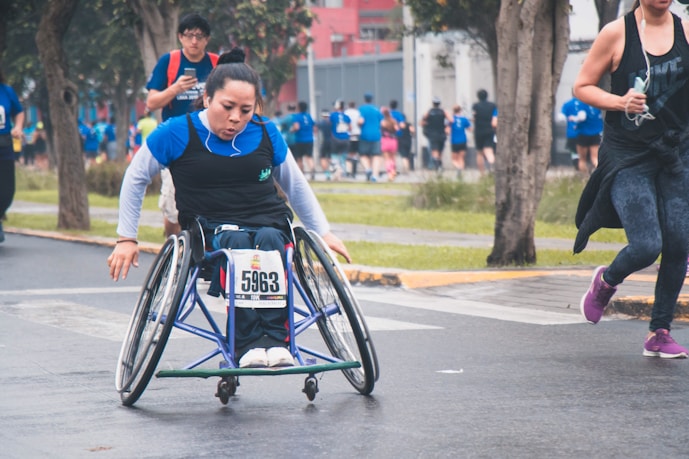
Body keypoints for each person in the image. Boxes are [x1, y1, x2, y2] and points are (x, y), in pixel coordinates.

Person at [107, 48, 352, 369]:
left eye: (246, 110)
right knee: (237, 245)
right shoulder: (177, 131)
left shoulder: (265, 132)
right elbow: (136, 176)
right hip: (210, 229)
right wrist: (127, 238)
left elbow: (295, 184)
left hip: (268, 222)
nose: (236, 117)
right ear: (207, 98)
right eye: (228, 107)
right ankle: (248, 341)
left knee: (271, 241)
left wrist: (323, 231)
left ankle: (276, 340)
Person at [574, 0, 689, 358]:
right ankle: (606, 281)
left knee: (679, 242)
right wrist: (619, 101)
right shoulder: (616, 33)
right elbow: (582, 86)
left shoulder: (685, 30)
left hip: (675, 153)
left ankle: (660, 331)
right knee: (646, 245)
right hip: (628, 155)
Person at [145, 13, 218, 238]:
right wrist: (175, 89)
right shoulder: (169, 62)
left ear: (207, 39)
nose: (194, 41)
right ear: (180, 37)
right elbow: (151, 102)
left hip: (211, 141)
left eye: (199, 36)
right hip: (176, 143)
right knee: (173, 208)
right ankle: (173, 245)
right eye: (189, 35)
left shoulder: (216, 64)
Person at [0, 67, 25, 243]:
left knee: (8, 189)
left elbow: (19, 111)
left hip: (4, 145)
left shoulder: (6, 91)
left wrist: (18, 127)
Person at [358, 93, 383, 182]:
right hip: (376, 135)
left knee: (363, 155)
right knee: (376, 155)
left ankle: (368, 168)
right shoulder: (377, 110)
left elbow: (361, 121)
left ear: (364, 99)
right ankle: (375, 175)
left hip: (364, 134)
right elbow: (382, 123)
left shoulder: (361, 109)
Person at [422, 97, 450, 174]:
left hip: (432, 134)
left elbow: (422, 122)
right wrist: (447, 126)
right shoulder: (443, 112)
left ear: (433, 103)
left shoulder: (429, 112)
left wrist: (427, 124)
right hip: (442, 134)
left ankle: (438, 167)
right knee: (440, 151)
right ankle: (440, 166)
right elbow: (451, 120)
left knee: (434, 151)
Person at [472, 89, 497, 175]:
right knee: (489, 150)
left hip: (479, 131)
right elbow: (494, 121)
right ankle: (492, 164)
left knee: (479, 152)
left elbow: (474, 117)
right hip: (490, 130)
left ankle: (482, 174)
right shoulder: (493, 106)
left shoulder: (475, 106)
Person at [574, 101, 603, 173]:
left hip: (583, 134)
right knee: (594, 158)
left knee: (582, 159)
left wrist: (574, 119)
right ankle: (599, 173)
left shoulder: (582, 105)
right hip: (595, 134)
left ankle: (584, 177)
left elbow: (582, 117)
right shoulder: (596, 105)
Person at [291, 101, 316, 180]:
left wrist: (291, 130)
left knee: (299, 158)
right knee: (309, 157)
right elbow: (314, 127)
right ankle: (312, 169)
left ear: (299, 108)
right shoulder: (309, 116)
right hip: (309, 139)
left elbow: (296, 127)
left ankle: (301, 174)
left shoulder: (296, 117)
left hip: (300, 140)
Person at [329, 100, 350, 180]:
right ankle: (343, 173)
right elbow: (349, 127)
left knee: (334, 156)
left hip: (335, 138)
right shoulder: (346, 116)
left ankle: (336, 173)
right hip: (345, 139)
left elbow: (329, 124)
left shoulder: (333, 115)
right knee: (343, 158)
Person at [450, 104, 472, 180]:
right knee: (461, 158)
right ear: (460, 110)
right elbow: (470, 129)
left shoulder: (451, 119)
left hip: (454, 140)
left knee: (454, 159)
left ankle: (458, 167)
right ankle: (461, 175)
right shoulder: (464, 119)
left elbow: (447, 130)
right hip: (463, 140)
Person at [561, 93, 582, 170]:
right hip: (585, 133)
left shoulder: (567, 104)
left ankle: (577, 167)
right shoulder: (586, 104)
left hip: (571, 133)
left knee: (574, 151)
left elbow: (561, 117)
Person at [380, 106, 399, 181]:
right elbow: (397, 129)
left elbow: (381, 130)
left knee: (387, 159)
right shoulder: (393, 121)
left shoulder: (383, 122)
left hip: (385, 140)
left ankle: (390, 173)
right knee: (393, 158)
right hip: (393, 140)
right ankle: (393, 171)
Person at [344, 101, 361, 178]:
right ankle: (354, 172)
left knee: (348, 155)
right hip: (356, 135)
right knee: (354, 154)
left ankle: (348, 171)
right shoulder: (358, 112)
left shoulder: (346, 112)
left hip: (348, 136)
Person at [316, 108, 334, 180]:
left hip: (324, 141)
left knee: (322, 158)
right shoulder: (332, 123)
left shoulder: (321, 123)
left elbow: (316, 128)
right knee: (330, 157)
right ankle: (332, 167)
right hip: (332, 141)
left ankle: (327, 174)